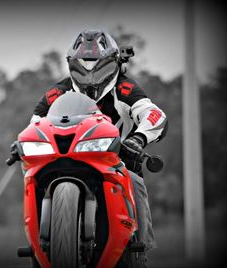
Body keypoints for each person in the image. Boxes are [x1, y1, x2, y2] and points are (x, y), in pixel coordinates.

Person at [31, 29, 168, 266]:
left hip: (118, 164)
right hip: (65, 158)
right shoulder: (58, 92)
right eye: (81, 67)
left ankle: (139, 251)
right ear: (70, 65)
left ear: (113, 63)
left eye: (99, 67)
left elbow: (154, 114)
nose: (90, 74)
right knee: (32, 179)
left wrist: (138, 138)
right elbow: (35, 122)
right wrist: (23, 143)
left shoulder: (125, 89)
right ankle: (39, 243)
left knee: (134, 181)